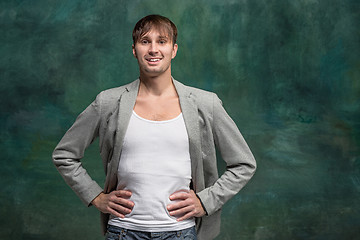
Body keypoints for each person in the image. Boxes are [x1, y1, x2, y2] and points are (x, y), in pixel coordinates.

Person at [52, 14, 256, 240]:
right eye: (145, 41)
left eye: (162, 41)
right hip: (122, 231)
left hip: (181, 232)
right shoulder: (108, 102)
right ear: (134, 49)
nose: (153, 49)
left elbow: (243, 164)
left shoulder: (205, 104)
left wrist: (206, 201)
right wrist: (96, 196)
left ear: (174, 49)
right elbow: (64, 155)